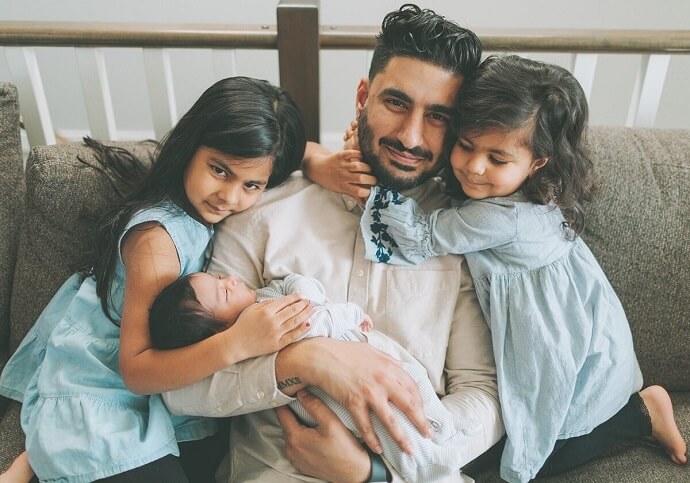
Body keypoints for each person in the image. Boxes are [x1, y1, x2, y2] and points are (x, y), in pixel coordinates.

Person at [163, 4, 504, 482]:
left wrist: (372, 473)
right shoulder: (262, 210)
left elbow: (484, 397)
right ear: (363, 96)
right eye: (397, 103)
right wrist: (309, 361)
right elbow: (183, 386)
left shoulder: (462, 234)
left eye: (438, 117)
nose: (411, 136)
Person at [360, 54, 688, 482]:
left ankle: (640, 415)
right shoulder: (520, 188)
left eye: (497, 159)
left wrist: (358, 174)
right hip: (578, 322)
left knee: (529, 454)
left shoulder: (501, 217)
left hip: (553, 340)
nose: (474, 167)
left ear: (538, 162)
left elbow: (422, 235)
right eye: (465, 145)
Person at [0, 76, 313, 483]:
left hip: (153, 400)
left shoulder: (205, 206)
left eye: (251, 185)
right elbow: (136, 371)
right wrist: (237, 342)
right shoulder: (156, 243)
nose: (230, 197)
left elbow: (274, 156)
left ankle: (39, 456)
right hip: (101, 394)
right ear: (189, 148)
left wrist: (315, 161)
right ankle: (43, 450)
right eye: (219, 171)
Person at [151, 271, 482, 481]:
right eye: (223, 292)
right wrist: (315, 349)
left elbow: (483, 389)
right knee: (391, 429)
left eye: (222, 277)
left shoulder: (264, 296)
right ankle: (436, 463)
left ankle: (441, 452)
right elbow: (311, 325)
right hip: (318, 419)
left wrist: (370, 475)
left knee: (412, 402)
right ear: (220, 330)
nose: (231, 281)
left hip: (386, 374)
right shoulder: (254, 322)